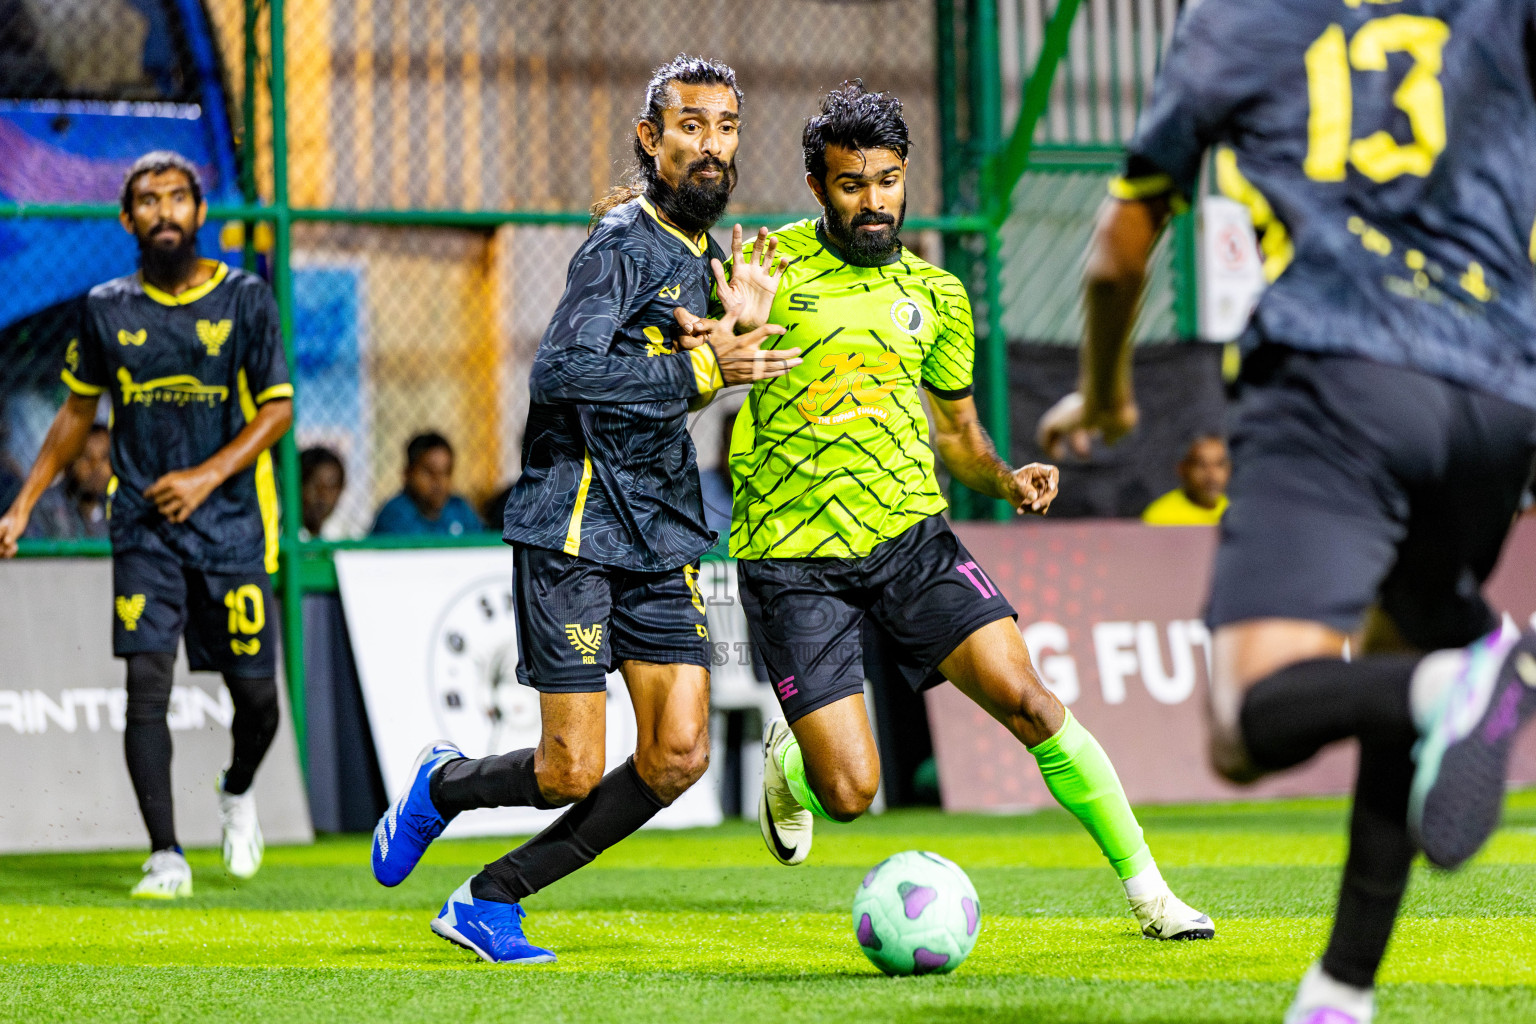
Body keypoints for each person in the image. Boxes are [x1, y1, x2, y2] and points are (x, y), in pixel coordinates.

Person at [1036, 3, 1536, 1020]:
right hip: (1498, 395)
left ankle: (1471, 674)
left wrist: (1107, 395)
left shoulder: (1244, 18)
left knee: (1244, 722)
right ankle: (1341, 989)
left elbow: (1119, 250)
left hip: (1335, 374)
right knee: (1395, 666)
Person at [713, 82, 1211, 943]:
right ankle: (792, 760)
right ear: (816, 184)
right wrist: (726, 334)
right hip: (790, 554)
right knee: (851, 795)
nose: (874, 201)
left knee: (1030, 700)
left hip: (911, 536)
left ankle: (1152, 895)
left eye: (889, 180)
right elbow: (703, 357)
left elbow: (956, 433)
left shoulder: (937, 295)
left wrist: (1005, 476)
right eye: (850, 183)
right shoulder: (767, 264)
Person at [368, 55, 799, 964]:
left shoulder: (705, 258)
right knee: (566, 770)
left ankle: (490, 898)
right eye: (691, 127)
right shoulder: (619, 242)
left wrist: (729, 348)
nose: (712, 146)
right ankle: (440, 789)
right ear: (652, 140)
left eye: (724, 128)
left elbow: (664, 391)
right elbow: (559, 372)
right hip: (576, 525)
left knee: (678, 756)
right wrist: (704, 366)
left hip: (663, 528)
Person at [0, 150, 294, 898]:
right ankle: (166, 854)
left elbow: (278, 409)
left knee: (258, 701)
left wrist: (203, 477)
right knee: (146, 685)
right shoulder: (105, 307)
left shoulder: (246, 299)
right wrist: (25, 502)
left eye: (178, 197)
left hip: (231, 526)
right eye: (148, 200)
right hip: (142, 527)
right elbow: (76, 414)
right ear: (127, 219)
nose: (165, 211)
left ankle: (236, 790)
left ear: (200, 213)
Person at [369, 432, 483, 536]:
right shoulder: (395, 516)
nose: (439, 481)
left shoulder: (459, 509)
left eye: (446, 473)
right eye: (429, 472)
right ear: (407, 474)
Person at [26, 423, 112, 539]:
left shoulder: (116, 507)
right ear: (70, 462)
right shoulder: (47, 506)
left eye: (104, 458)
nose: (96, 467)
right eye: (86, 457)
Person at [1141, 434, 1230, 526]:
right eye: (1201, 465)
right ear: (1183, 469)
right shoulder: (1160, 518)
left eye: (1219, 464)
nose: (1212, 474)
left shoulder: (1236, 511)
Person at [299, 445, 345, 540]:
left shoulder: (337, 536)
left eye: (331, 487)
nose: (322, 495)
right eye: (315, 485)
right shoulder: (279, 535)